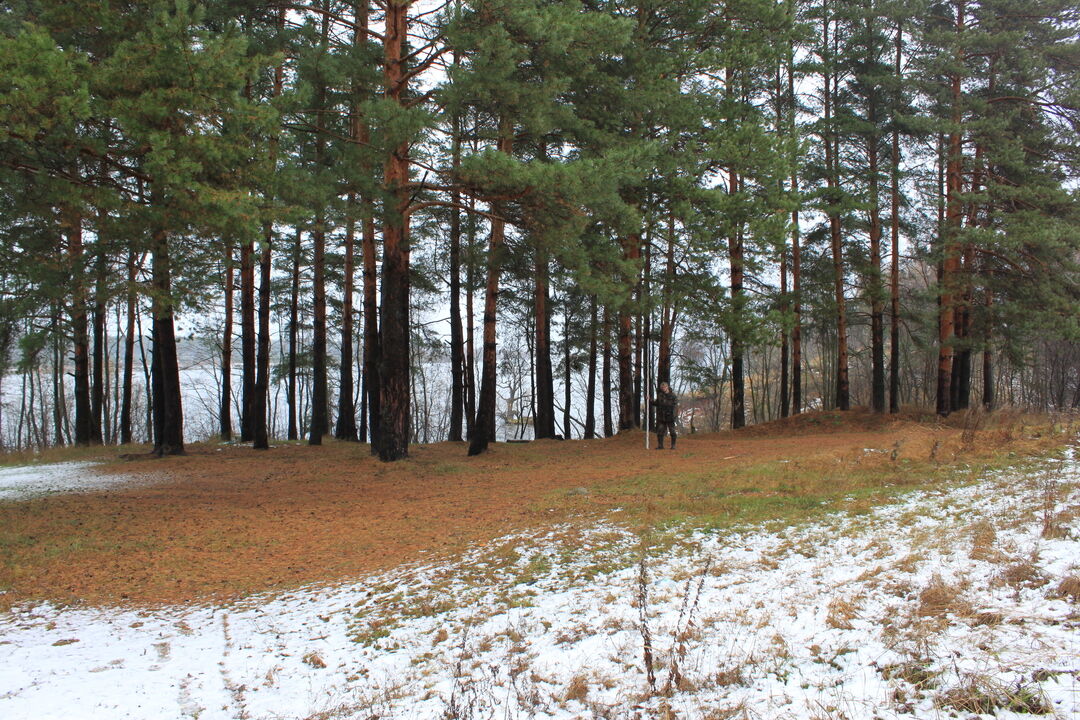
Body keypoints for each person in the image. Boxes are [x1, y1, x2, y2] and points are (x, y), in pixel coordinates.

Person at [653, 381, 677, 450]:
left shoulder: (673, 396)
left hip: (670, 417)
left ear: (667, 387)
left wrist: (674, 416)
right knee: (660, 432)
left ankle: (673, 446)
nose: (663, 388)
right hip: (662, 417)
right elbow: (657, 403)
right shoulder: (660, 395)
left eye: (664, 387)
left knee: (672, 432)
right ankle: (660, 446)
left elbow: (675, 407)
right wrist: (650, 400)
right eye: (662, 388)